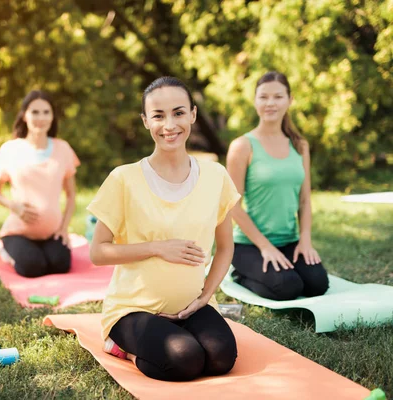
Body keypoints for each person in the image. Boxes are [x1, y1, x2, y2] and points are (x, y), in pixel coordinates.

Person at [88, 77, 240, 382]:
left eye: (178, 113)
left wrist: (206, 295)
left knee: (222, 357)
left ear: (193, 114)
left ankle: (177, 331)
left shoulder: (215, 176)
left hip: (191, 306)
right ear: (146, 122)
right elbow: (97, 252)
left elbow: (225, 246)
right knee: (185, 360)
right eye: (158, 115)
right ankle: (123, 347)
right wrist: (159, 247)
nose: (169, 124)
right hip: (134, 310)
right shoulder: (124, 179)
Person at [226, 71, 329, 301]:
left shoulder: (299, 145)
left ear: (289, 100)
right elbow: (233, 206)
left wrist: (305, 240)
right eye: (263, 97)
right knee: (288, 288)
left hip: (289, 241)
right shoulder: (242, 146)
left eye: (278, 97)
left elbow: (304, 200)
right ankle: (240, 274)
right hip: (249, 244)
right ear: (255, 101)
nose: (270, 103)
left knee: (317, 284)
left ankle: (285, 267)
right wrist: (265, 247)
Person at [0, 90, 80, 278]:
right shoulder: (10, 149)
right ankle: (8, 252)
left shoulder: (63, 148)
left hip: (52, 233)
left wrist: (64, 229)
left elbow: (71, 195)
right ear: (24, 115)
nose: (41, 118)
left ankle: (42, 251)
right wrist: (15, 207)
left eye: (46, 112)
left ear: (53, 117)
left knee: (61, 264)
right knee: (32, 268)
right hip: (18, 232)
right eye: (35, 112)